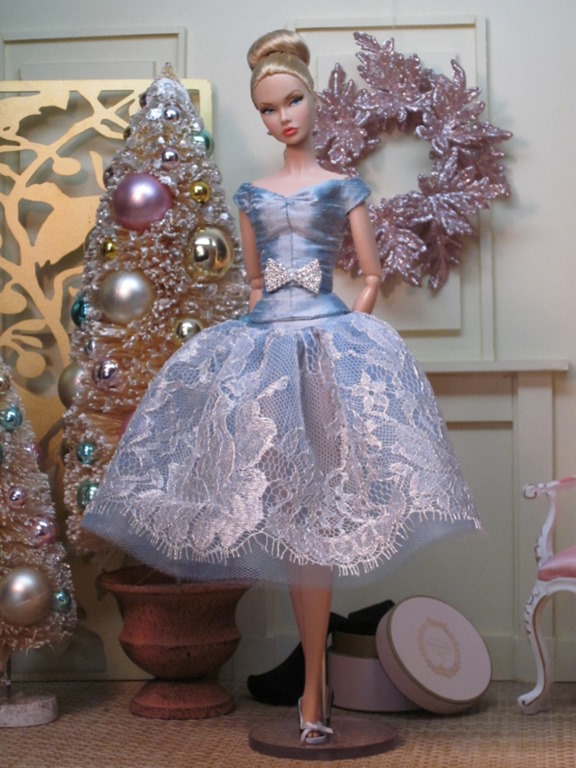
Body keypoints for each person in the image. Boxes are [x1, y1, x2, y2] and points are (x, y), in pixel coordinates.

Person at [82, 29, 480, 746]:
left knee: (321, 502)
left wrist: (351, 332)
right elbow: (254, 283)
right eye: (268, 109)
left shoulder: (342, 187)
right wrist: (258, 338)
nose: (282, 118)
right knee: (292, 506)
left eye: (292, 101)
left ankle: (315, 686)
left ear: (314, 99)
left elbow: (369, 275)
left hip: (327, 345)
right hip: (267, 348)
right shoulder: (251, 195)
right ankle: (313, 686)